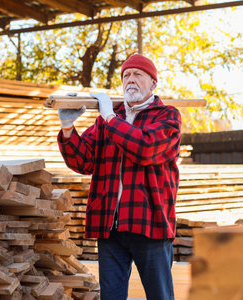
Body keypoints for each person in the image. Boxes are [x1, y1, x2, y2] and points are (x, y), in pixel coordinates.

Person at [57, 53, 181, 300]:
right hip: (110, 227)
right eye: (126, 75)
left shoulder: (167, 116)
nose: (130, 80)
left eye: (138, 74)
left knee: (161, 296)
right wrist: (68, 129)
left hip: (150, 225)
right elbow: (83, 161)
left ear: (153, 83)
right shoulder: (108, 119)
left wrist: (110, 118)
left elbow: (145, 149)